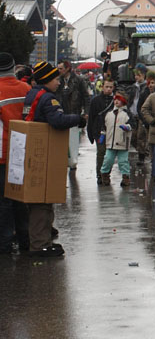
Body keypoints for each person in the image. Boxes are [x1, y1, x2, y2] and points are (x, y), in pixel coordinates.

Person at [22, 61, 85, 257]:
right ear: (47, 80)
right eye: (56, 79)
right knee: (42, 200)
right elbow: (57, 121)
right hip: (43, 152)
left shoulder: (32, 94)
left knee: (37, 201)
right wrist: (78, 119)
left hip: (29, 151)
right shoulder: (48, 99)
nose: (58, 82)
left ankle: (42, 239)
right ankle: (40, 245)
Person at [0, 52, 31, 255]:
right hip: (23, 151)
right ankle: (24, 239)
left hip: (2, 152)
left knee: (3, 200)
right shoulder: (26, 89)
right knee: (21, 198)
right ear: (13, 68)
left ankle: (4, 242)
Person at [56, 60, 89, 170]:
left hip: (75, 112)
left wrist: (86, 112)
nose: (58, 70)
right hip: (61, 113)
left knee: (74, 138)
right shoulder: (58, 80)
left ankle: (73, 161)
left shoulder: (79, 80)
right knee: (62, 138)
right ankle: (64, 159)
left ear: (67, 69)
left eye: (60, 68)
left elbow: (86, 96)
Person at [100, 93, 133, 187]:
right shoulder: (109, 113)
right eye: (115, 100)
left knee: (123, 161)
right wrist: (103, 134)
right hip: (110, 142)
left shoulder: (127, 114)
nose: (116, 101)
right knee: (108, 159)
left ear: (123, 102)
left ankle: (125, 177)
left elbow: (132, 124)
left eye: (119, 100)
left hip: (123, 142)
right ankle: (105, 175)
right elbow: (104, 125)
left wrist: (128, 127)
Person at [87, 79, 116, 185]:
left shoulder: (115, 100)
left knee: (110, 155)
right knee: (101, 153)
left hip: (112, 131)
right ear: (102, 87)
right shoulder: (95, 101)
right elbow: (91, 117)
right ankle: (100, 174)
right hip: (99, 131)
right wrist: (90, 133)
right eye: (107, 87)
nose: (108, 89)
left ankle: (106, 174)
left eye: (111, 87)